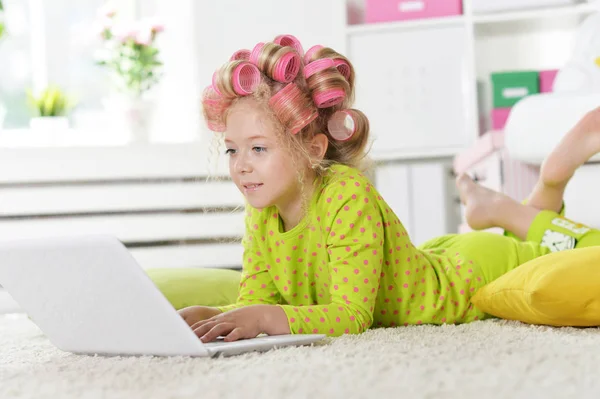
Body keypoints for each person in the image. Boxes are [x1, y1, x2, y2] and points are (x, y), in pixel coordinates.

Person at [178, 33, 600, 343]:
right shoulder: (262, 207)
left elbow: (353, 316)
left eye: (257, 148)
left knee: (578, 252)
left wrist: (266, 318)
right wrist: (217, 314)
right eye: (233, 151)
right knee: (542, 250)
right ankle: (501, 210)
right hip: (441, 255)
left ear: (312, 149)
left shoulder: (345, 193)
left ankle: (546, 184)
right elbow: (257, 299)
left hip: (469, 275)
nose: (242, 167)